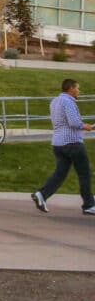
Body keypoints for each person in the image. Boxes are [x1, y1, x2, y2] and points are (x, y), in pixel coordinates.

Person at [31, 79, 94, 215]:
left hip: (58, 144)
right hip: (73, 143)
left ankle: (41, 194)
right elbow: (73, 122)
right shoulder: (69, 101)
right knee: (85, 174)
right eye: (77, 88)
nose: (79, 91)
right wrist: (86, 126)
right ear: (70, 88)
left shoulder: (55, 101)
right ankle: (89, 204)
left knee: (60, 174)